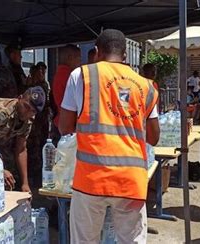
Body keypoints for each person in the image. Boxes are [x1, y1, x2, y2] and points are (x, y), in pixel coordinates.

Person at [59, 29, 159, 243]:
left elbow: (65, 126)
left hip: (90, 180)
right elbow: (154, 137)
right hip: (130, 180)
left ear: (96, 52)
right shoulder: (146, 86)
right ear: (125, 56)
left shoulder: (81, 75)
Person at [25, 65, 50, 188]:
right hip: (34, 126)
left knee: (38, 150)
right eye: (38, 72)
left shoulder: (41, 87)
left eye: (42, 72)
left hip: (40, 124)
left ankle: (37, 178)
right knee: (33, 150)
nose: (41, 75)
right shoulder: (33, 87)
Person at [52, 44, 81, 143]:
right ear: (70, 58)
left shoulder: (60, 73)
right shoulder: (69, 76)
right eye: (78, 58)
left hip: (61, 122)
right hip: (67, 125)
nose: (80, 62)